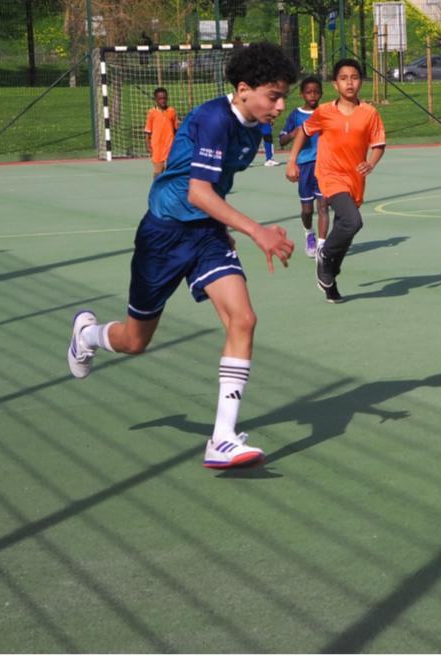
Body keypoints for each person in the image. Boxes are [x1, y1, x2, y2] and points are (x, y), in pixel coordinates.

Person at [67, 42, 298, 469]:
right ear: (243, 89)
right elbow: (197, 192)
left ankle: (222, 438)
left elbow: (215, 190)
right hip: (164, 235)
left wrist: (223, 228)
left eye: (284, 97)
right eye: (274, 96)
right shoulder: (213, 119)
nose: (280, 106)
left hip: (206, 236)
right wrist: (255, 230)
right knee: (135, 341)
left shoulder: (252, 130)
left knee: (243, 319)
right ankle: (87, 336)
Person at [286, 58, 386, 303]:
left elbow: (379, 144)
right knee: (353, 222)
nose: (349, 83)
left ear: (361, 82)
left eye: (354, 77)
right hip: (330, 176)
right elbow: (304, 132)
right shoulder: (324, 112)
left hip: (355, 179)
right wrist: (292, 160)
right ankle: (324, 254)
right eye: (343, 78)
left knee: (346, 231)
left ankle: (330, 281)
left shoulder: (369, 113)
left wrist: (371, 163)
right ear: (335, 84)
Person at [280, 76, 327, 259]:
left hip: (323, 166)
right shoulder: (296, 115)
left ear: (321, 93)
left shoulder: (326, 112)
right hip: (305, 166)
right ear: (302, 94)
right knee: (307, 209)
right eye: (309, 92)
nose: (313, 95)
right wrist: (295, 133)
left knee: (323, 206)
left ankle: (322, 246)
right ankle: (309, 233)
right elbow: (282, 140)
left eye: (316, 92)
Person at [144, 87, 179, 177]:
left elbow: (176, 129)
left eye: (164, 98)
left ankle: (169, 186)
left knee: (170, 170)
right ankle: (157, 185)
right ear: (155, 99)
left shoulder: (171, 111)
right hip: (157, 146)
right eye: (160, 99)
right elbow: (148, 131)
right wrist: (148, 145)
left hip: (170, 145)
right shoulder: (152, 112)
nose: (162, 101)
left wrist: (177, 143)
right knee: (158, 171)